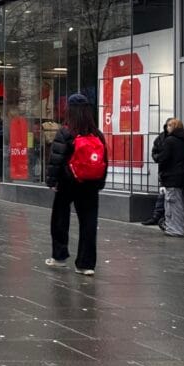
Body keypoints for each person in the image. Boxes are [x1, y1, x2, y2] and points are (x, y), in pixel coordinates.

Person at [45, 93, 108, 276]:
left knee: (60, 219)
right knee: (89, 223)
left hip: (67, 182)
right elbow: (104, 161)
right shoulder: (97, 134)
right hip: (90, 184)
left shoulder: (66, 132)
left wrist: (52, 181)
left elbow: (56, 159)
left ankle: (59, 257)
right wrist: (99, 183)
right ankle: (85, 264)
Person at [152, 117, 184, 238]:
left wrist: (157, 158)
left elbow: (163, 158)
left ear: (173, 127)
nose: (167, 128)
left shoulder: (170, 141)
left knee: (173, 203)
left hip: (172, 177)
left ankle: (176, 229)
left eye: (169, 126)